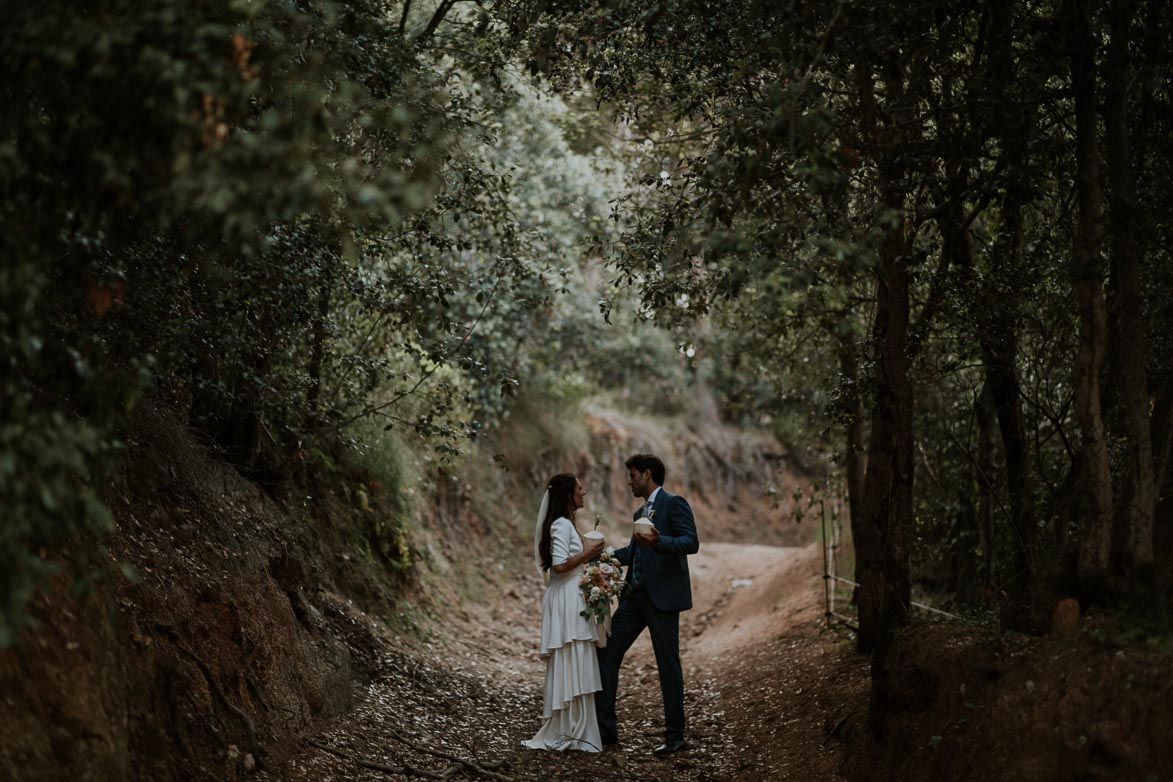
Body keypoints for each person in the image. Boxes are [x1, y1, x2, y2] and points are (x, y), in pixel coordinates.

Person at [596, 453, 699, 755]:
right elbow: (634, 552)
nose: (628, 481)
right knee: (606, 652)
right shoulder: (640, 511)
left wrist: (659, 542)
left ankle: (675, 737)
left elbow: (691, 542)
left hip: (663, 600)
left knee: (668, 666)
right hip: (634, 597)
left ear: (647, 474)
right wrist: (601, 555)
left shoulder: (674, 503)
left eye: (632, 475)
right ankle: (605, 730)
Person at [522, 472, 607, 752]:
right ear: (568, 495)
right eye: (579, 489)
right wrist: (591, 553)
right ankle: (570, 728)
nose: (584, 493)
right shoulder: (560, 524)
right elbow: (559, 566)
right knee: (573, 654)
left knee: (578, 656)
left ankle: (578, 726)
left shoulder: (566, 523)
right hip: (567, 598)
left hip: (572, 595)